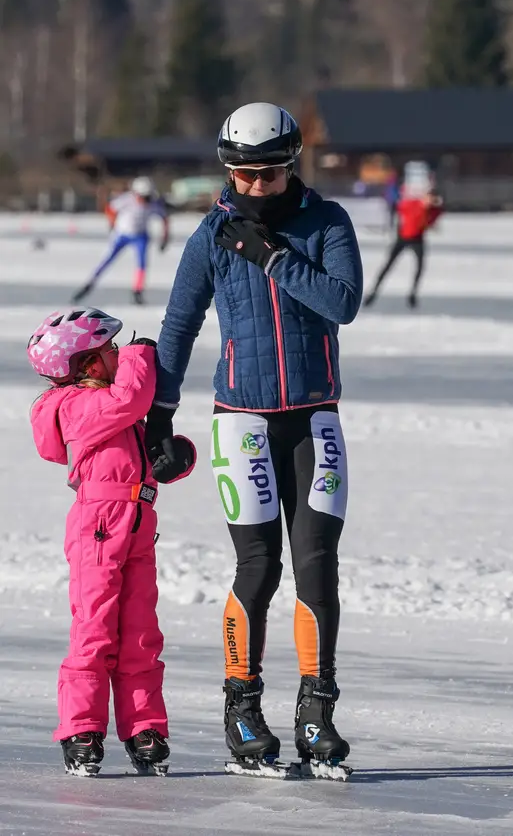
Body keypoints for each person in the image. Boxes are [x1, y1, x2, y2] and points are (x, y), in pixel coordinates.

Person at [144, 102, 362, 779]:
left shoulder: (327, 222)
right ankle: (242, 711)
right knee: (258, 566)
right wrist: (159, 415)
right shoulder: (211, 235)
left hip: (314, 418)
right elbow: (178, 327)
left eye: (268, 172)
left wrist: (272, 258)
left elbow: (343, 302)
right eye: (242, 173)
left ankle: (316, 714)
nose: (255, 184)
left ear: (291, 166)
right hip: (241, 419)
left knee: (317, 563)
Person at [26, 307, 196, 776]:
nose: (121, 354)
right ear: (89, 364)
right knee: (95, 628)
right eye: (112, 349)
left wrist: (177, 457)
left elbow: (140, 448)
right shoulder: (73, 406)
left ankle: (144, 726)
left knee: (141, 632)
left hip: (138, 521)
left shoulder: (110, 406)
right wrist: (143, 355)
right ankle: (81, 727)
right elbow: (132, 399)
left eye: (121, 349)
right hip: (97, 526)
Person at [72, 177, 170, 307]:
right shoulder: (126, 200)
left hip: (140, 236)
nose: (144, 201)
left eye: (147, 197)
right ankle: (90, 284)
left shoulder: (152, 203)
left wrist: (165, 237)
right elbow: (110, 209)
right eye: (142, 197)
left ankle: (138, 291)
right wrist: (112, 223)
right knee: (107, 260)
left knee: (142, 264)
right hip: (122, 234)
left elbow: (164, 218)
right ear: (135, 194)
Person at [363, 188, 444, 309]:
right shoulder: (412, 203)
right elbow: (397, 207)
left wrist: (432, 209)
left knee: (420, 267)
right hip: (402, 237)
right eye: (429, 198)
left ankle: (412, 294)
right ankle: (373, 292)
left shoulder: (433, 211)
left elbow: (430, 222)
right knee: (388, 265)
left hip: (417, 239)